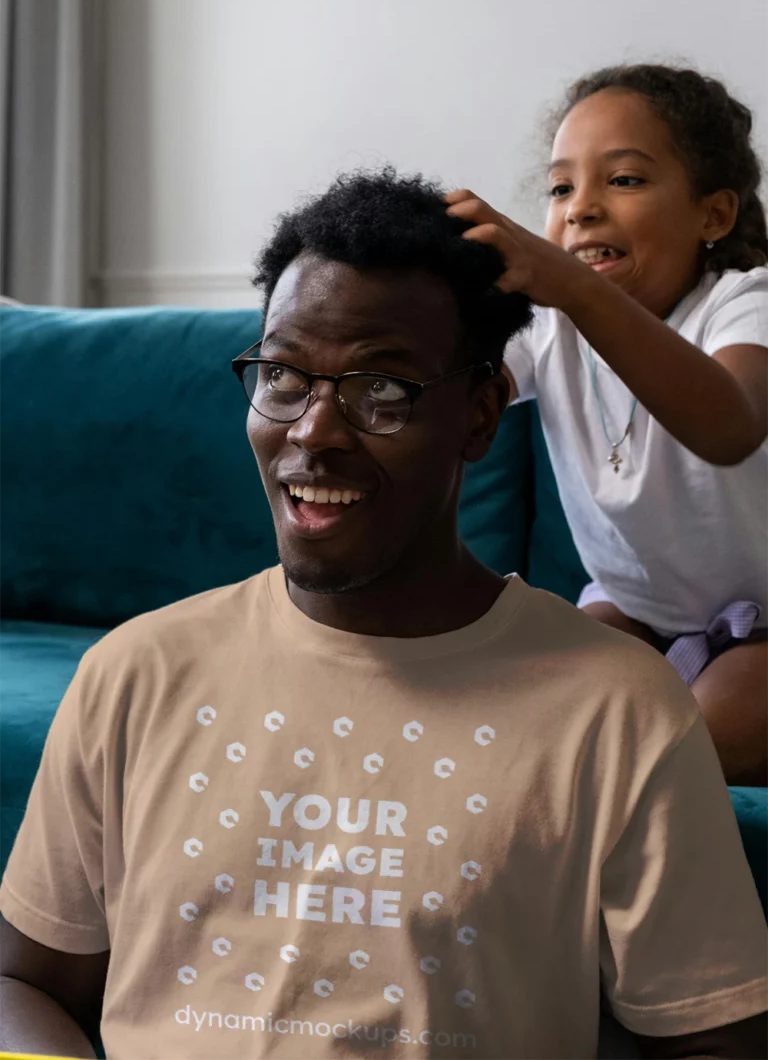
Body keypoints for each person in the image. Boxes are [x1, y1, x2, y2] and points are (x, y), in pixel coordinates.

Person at [1, 169, 767, 1059]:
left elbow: (718, 1042)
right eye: (284, 375)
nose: (315, 430)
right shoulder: (134, 674)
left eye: (382, 390)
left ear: (481, 415)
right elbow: (24, 982)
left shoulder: (617, 710)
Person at [447, 64, 768, 787]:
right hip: (637, 611)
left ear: (713, 216)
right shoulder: (547, 324)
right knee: (526, 709)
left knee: (703, 738)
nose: (580, 208)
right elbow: (463, 394)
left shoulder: (745, 303)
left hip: (765, 628)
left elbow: (732, 426)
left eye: (622, 180)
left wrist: (572, 287)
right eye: (561, 188)